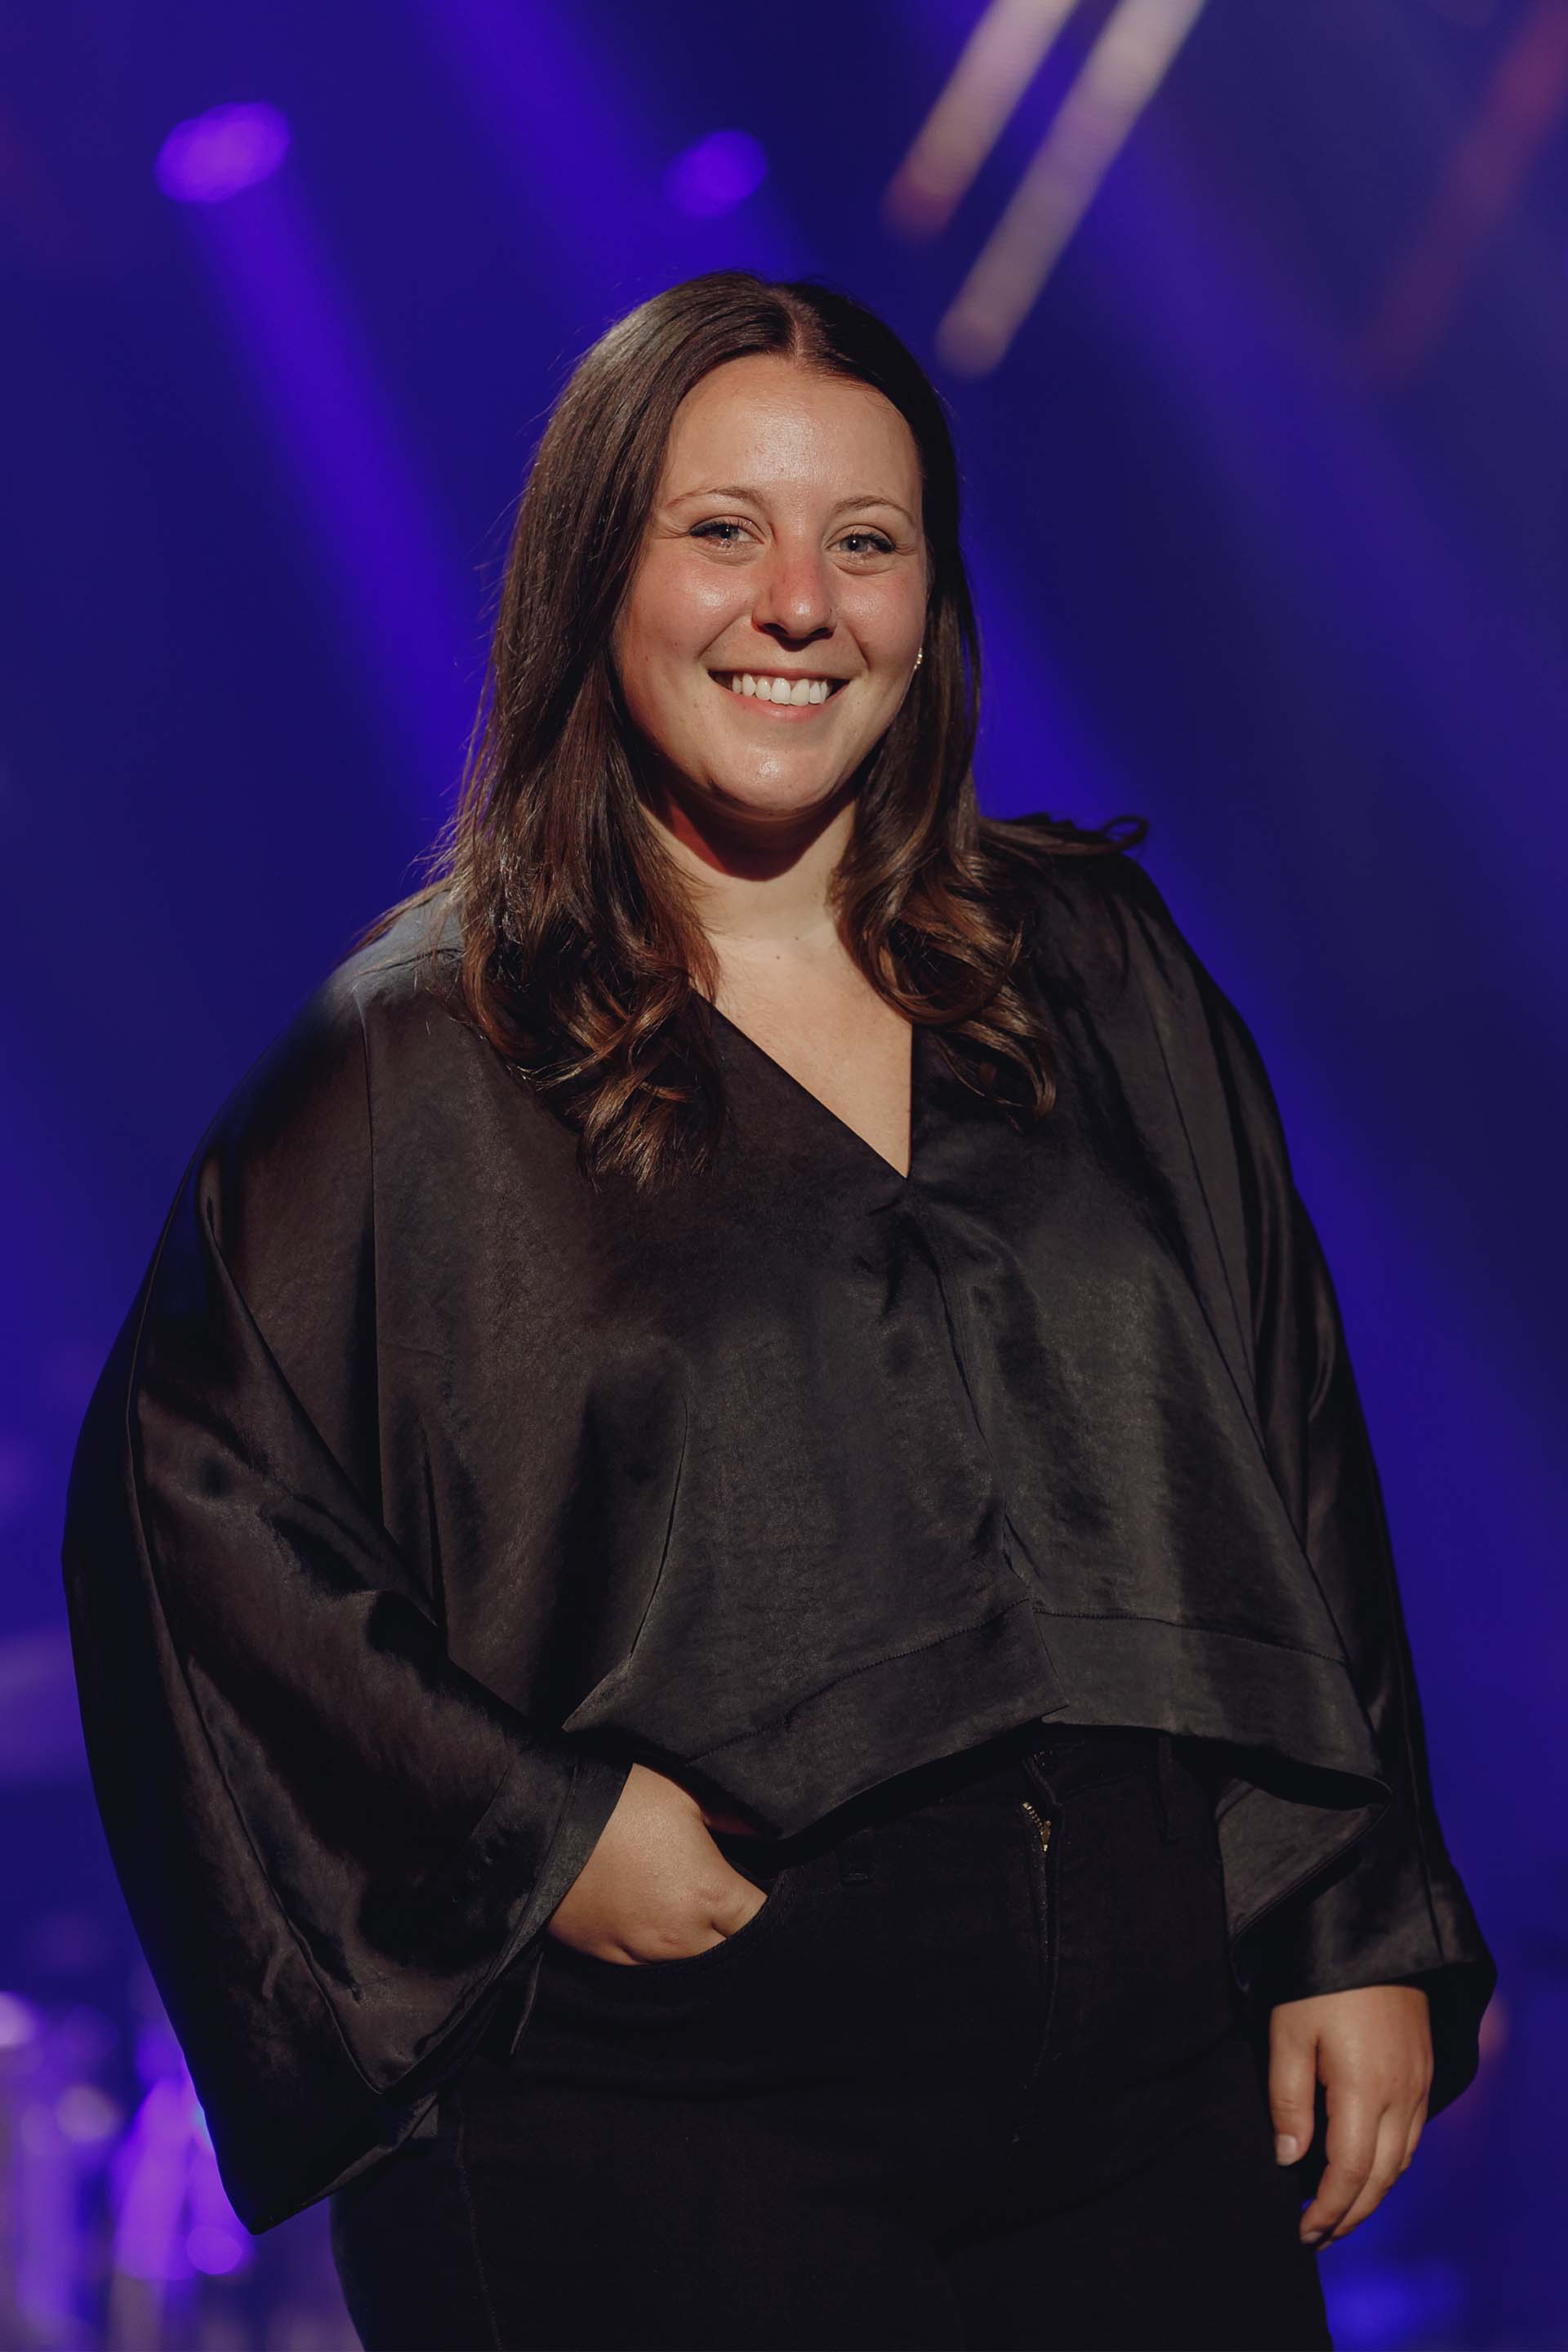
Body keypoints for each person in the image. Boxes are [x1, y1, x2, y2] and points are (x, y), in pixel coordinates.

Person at [61, 272, 1494, 2352]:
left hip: (1144, 2071)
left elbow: (1286, 1444)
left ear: (932, 600)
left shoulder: (1090, 968)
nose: (800, 605)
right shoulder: (426, 1054)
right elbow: (188, 1514)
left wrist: (1345, 1908)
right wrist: (540, 1837)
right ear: (597, 572)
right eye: (723, 530)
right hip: (662, 2107)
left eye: (867, 541)